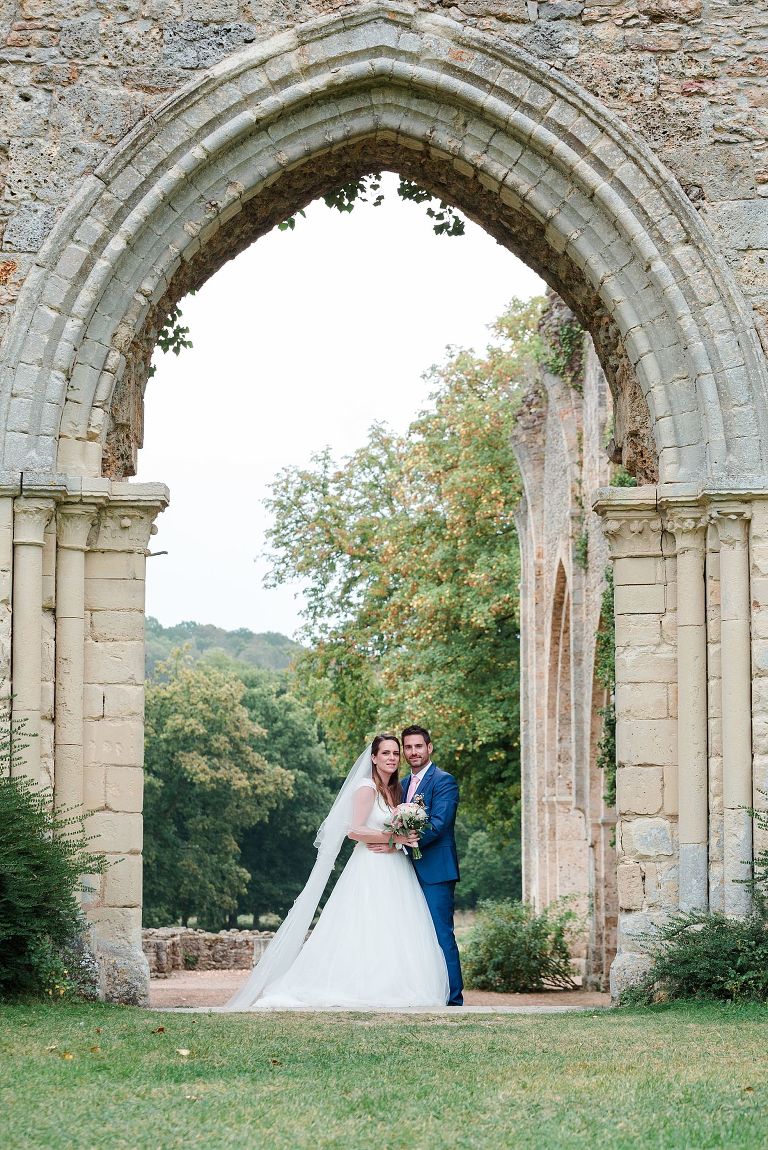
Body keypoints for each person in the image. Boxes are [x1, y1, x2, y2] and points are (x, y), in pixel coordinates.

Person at [225, 734, 449, 1010]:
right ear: (373, 758)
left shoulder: (396, 791)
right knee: (363, 924)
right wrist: (395, 838)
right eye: (386, 753)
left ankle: (390, 984)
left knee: (393, 925)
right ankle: (351, 986)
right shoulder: (366, 787)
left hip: (395, 866)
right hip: (369, 865)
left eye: (395, 753)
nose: (392, 758)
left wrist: (399, 838)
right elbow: (354, 830)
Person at [397, 725, 463, 1006]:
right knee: (410, 934)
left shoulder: (444, 781)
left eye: (418, 746)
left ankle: (453, 999)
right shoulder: (399, 786)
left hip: (435, 870)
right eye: (408, 747)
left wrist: (403, 840)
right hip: (402, 871)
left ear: (429, 748)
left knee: (440, 935)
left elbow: (439, 823)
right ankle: (421, 992)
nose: (413, 752)